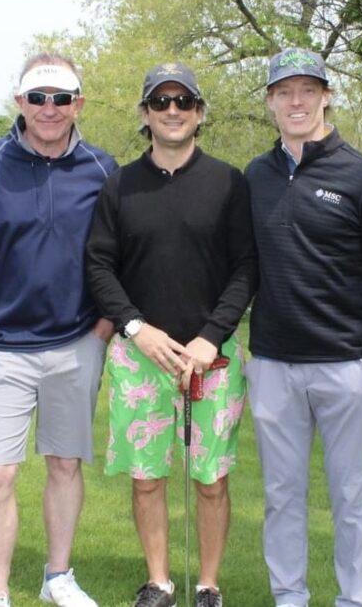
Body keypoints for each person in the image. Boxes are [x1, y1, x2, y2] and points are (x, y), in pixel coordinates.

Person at [0, 53, 118, 607]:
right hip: (0, 349)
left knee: (65, 464)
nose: (49, 109)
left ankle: (57, 577)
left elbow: (118, 255)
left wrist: (104, 328)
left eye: (61, 98)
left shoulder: (101, 167)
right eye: (38, 98)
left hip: (76, 343)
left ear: (78, 104)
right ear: (19, 102)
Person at [243, 47, 362, 607]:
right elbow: (244, 266)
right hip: (271, 365)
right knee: (281, 495)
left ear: (325, 95)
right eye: (284, 91)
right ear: (270, 101)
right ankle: (289, 596)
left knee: (351, 496)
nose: (296, 101)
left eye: (307, 90)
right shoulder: (256, 176)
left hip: (346, 367)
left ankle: (355, 598)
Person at [85, 63, 255, 607]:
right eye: (161, 103)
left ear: (199, 113)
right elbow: (98, 267)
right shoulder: (119, 185)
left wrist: (211, 336)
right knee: (146, 476)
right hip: (142, 355)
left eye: (184, 101)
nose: (173, 111)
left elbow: (247, 268)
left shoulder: (230, 182)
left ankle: (208, 585)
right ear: (145, 115)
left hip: (214, 356)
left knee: (210, 479)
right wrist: (135, 328)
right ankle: (158, 581)